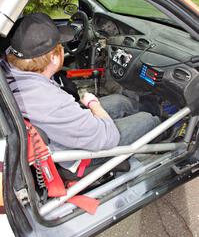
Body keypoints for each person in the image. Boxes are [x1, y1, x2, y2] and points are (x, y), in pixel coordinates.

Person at [1, 12, 160, 170]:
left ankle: (151, 108)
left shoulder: (9, 68)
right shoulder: (52, 101)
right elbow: (109, 137)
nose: (63, 49)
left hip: (56, 132)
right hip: (76, 156)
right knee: (147, 120)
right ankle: (162, 128)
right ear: (55, 58)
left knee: (120, 101)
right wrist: (93, 104)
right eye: (60, 46)